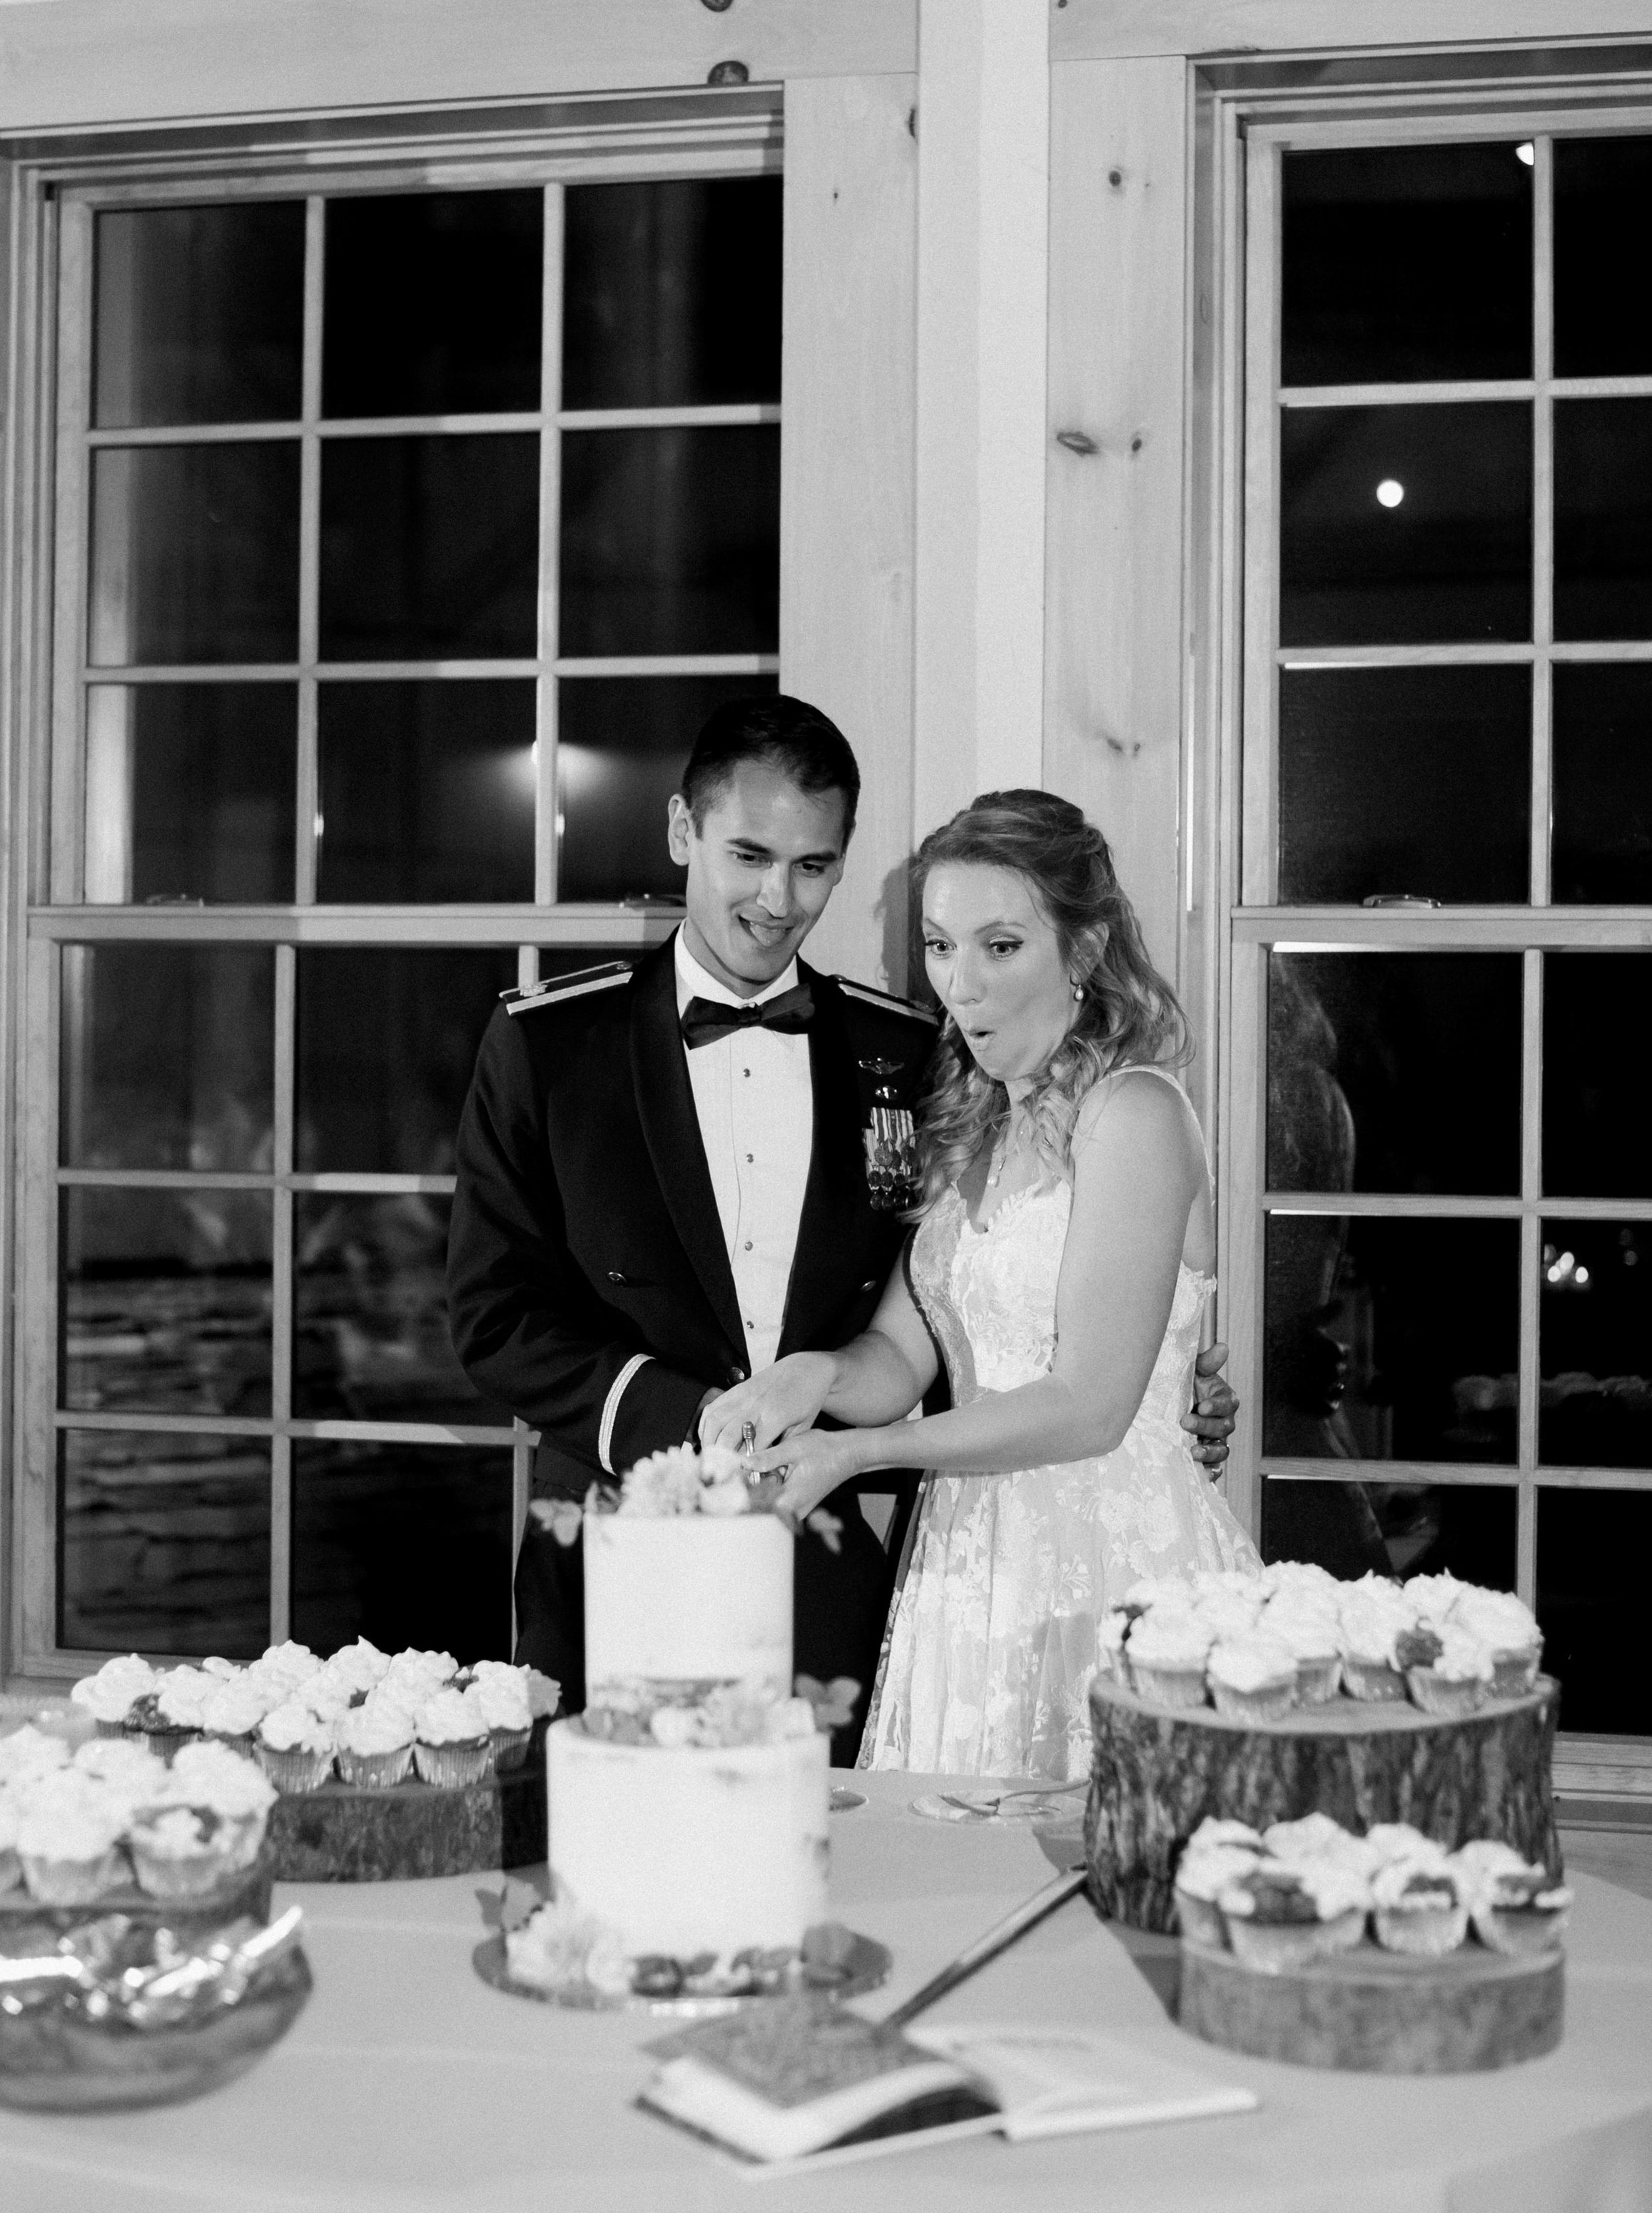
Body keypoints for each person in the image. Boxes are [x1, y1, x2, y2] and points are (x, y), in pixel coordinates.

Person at [448, 707, 1236, 1760]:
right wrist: (749, 1407)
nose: (779, 899)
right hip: (619, 1542)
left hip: (854, 1560)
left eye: (814, 865)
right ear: (683, 830)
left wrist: (1175, 1386)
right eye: (749, 855)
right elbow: (496, 1314)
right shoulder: (548, 1044)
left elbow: (1085, 1375)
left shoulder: (912, 1060)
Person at [700, 786, 1262, 1782]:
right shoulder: (972, 1125)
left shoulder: (1132, 1113)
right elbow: (901, 1354)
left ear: (1083, 952)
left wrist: (863, 1452)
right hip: (970, 1563)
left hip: (1112, 1562)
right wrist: (812, 1381)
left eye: (1001, 946)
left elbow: (1090, 1406)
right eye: (941, 944)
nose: (962, 984)